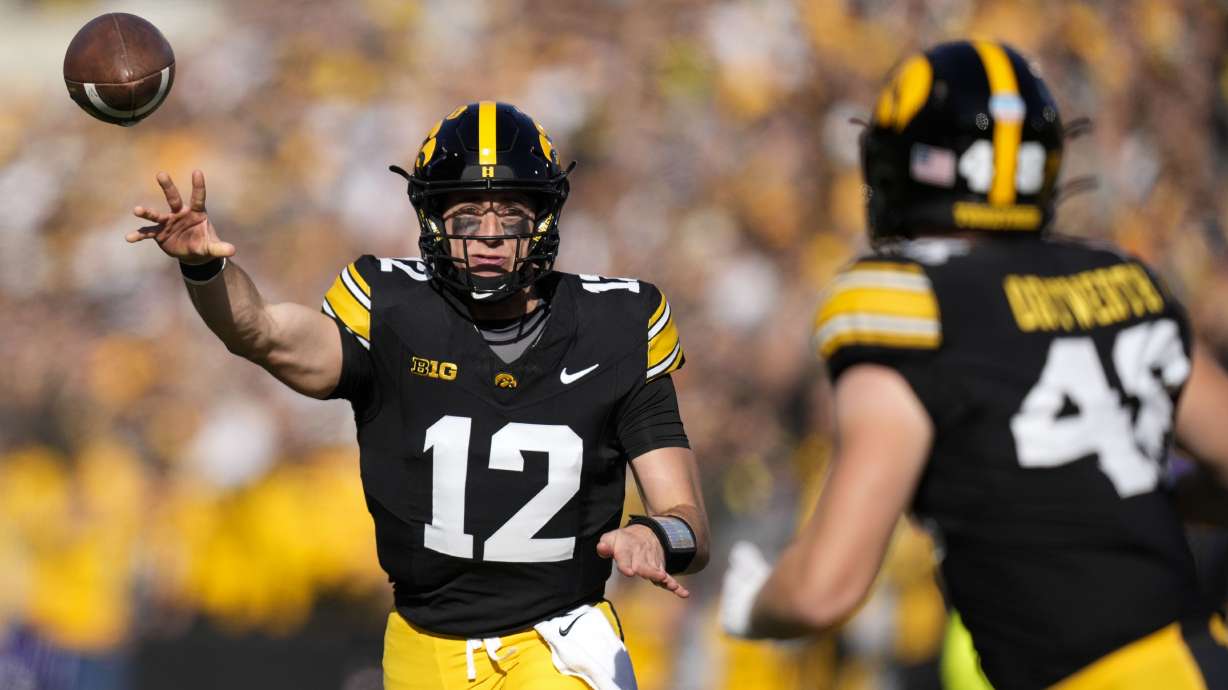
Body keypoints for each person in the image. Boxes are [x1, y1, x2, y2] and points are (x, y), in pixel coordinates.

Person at [127, 101, 709, 690]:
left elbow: (690, 523)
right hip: (422, 646)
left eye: (509, 213)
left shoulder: (617, 323)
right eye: (465, 216)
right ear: (432, 221)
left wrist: (655, 534)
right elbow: (261, 333)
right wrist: (205, 270)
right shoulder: (394, 310)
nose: (488, 236)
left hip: (558, 641)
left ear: (543, 216)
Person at [719, 40, 1228, 689]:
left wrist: (755, 605)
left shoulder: (905, 301)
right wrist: (1121, 502)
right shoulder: (1119, 278)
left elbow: (825, 589)